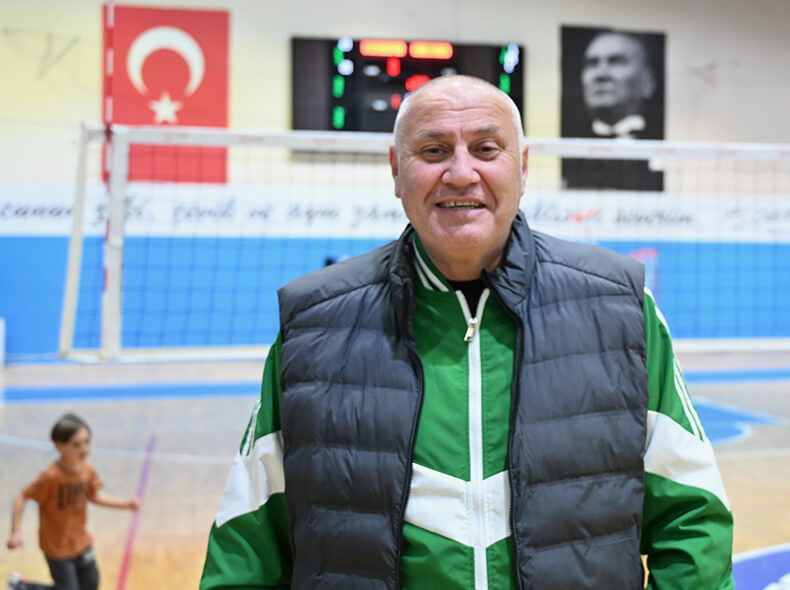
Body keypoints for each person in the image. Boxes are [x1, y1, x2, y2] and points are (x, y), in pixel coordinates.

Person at [200, 74, 733, 589]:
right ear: (396, 170)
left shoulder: (619, 308)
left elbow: (692, 517)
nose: (460, 173)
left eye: (486, 149)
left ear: (523, 167)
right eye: (433, 151)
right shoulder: (314, 325)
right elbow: (247, 550)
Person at [6, 413, 140, 590]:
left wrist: (125, 504)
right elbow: (22, 496)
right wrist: (15, 532)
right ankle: (22, 586)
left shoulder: (87, 470)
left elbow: (94, 496)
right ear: (59, 446)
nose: (84, 449)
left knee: (91, 585)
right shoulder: (51, 477)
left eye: (87, 442)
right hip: (57, 548)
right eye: (76, 445)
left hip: (81, 542)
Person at [562, 27, 665, 191]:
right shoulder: (567, 151)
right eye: (592, 63)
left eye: (616, 61)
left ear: (648, 81)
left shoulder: (662, 150)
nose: (601, 74)